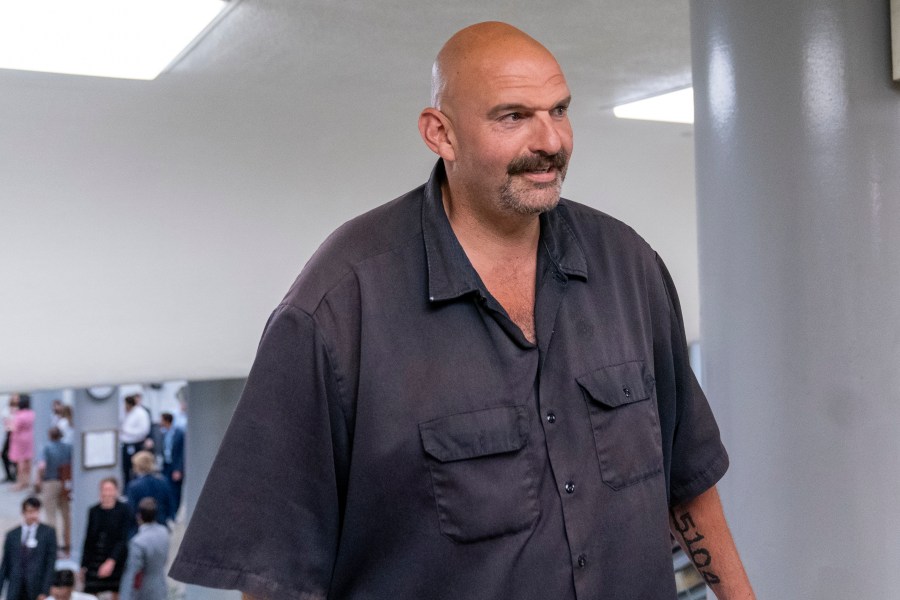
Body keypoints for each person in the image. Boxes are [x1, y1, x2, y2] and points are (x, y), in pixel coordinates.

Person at [170, 21, 754, 600]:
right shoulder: (339, 307)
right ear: (440, 134)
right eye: (514, 116)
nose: (551, 141)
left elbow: (687, 480)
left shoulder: (629, 266)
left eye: (559, 110)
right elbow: (276, 580)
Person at [81, 478, 132, 599]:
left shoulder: (124, 510)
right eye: (104, 489)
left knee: (116, 590)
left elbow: (123, 538)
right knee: (91, 590)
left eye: (110, 489)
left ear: (116, 491)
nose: (107, 493)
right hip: (95, 558)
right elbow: (88, 538)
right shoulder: (93, 511)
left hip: (115, 558)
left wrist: (111, 561)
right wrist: (83, 564)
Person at [0, 496, 57, 600]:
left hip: (36, 587)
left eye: (36, 511)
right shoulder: (12, 535)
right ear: (23, 513)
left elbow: (50, 564)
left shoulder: (48, 533)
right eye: (30, 512)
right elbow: (5, 564)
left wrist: (45, 591)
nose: (33, 515)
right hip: (15, 587)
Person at [118, 498, 169, 600]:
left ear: (139, 516)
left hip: (144, 590)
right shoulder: (164, 532)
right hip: (161, 585)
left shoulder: (138, 542)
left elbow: (132, 572)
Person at [34, 427, 73, 554]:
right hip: (65, 482)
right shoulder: (68, 447)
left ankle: (54, 544)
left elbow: (42, 465)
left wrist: (39, 479)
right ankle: (67, 542)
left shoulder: (46, 448)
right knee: (66, 514)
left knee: (51, 515)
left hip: (50, 481)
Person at [124, 452, 173, 530]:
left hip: (140, 528)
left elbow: (131, 511)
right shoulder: (163, 482)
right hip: (161, 524)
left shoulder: (133, 486)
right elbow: (170, 505)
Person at [119, 395, 150, 488]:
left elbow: (144, 430)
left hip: (136, 444)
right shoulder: (127, 413)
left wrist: (127, 431)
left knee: (136, 468)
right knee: (126, 469)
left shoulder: (141, 413)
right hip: (125, 444)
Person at [157, 413, 184, 518]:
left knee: (176, 490)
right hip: (166, 465)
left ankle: (175, 512)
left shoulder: (179, 433)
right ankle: (169, 512)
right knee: (166, 488)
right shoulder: (163, 433)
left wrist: (179, 469)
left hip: (175, 466)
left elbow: (181, 453)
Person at [9, 394, 35, 490]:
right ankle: (27, 481)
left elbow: (14, 427)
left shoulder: (19, 415)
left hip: (19, 439)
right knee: (28, 460)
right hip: (29, 437)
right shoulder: (31, 413)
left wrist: (9, 425)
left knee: (20, 461)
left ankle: (20, 482)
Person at [2, 395, 19, 482]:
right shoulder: (7, 409)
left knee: (16, 455)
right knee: (5, 455)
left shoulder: (19, 410)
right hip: (9, 433)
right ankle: (9, 475)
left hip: (16, 434)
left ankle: (16, 474)